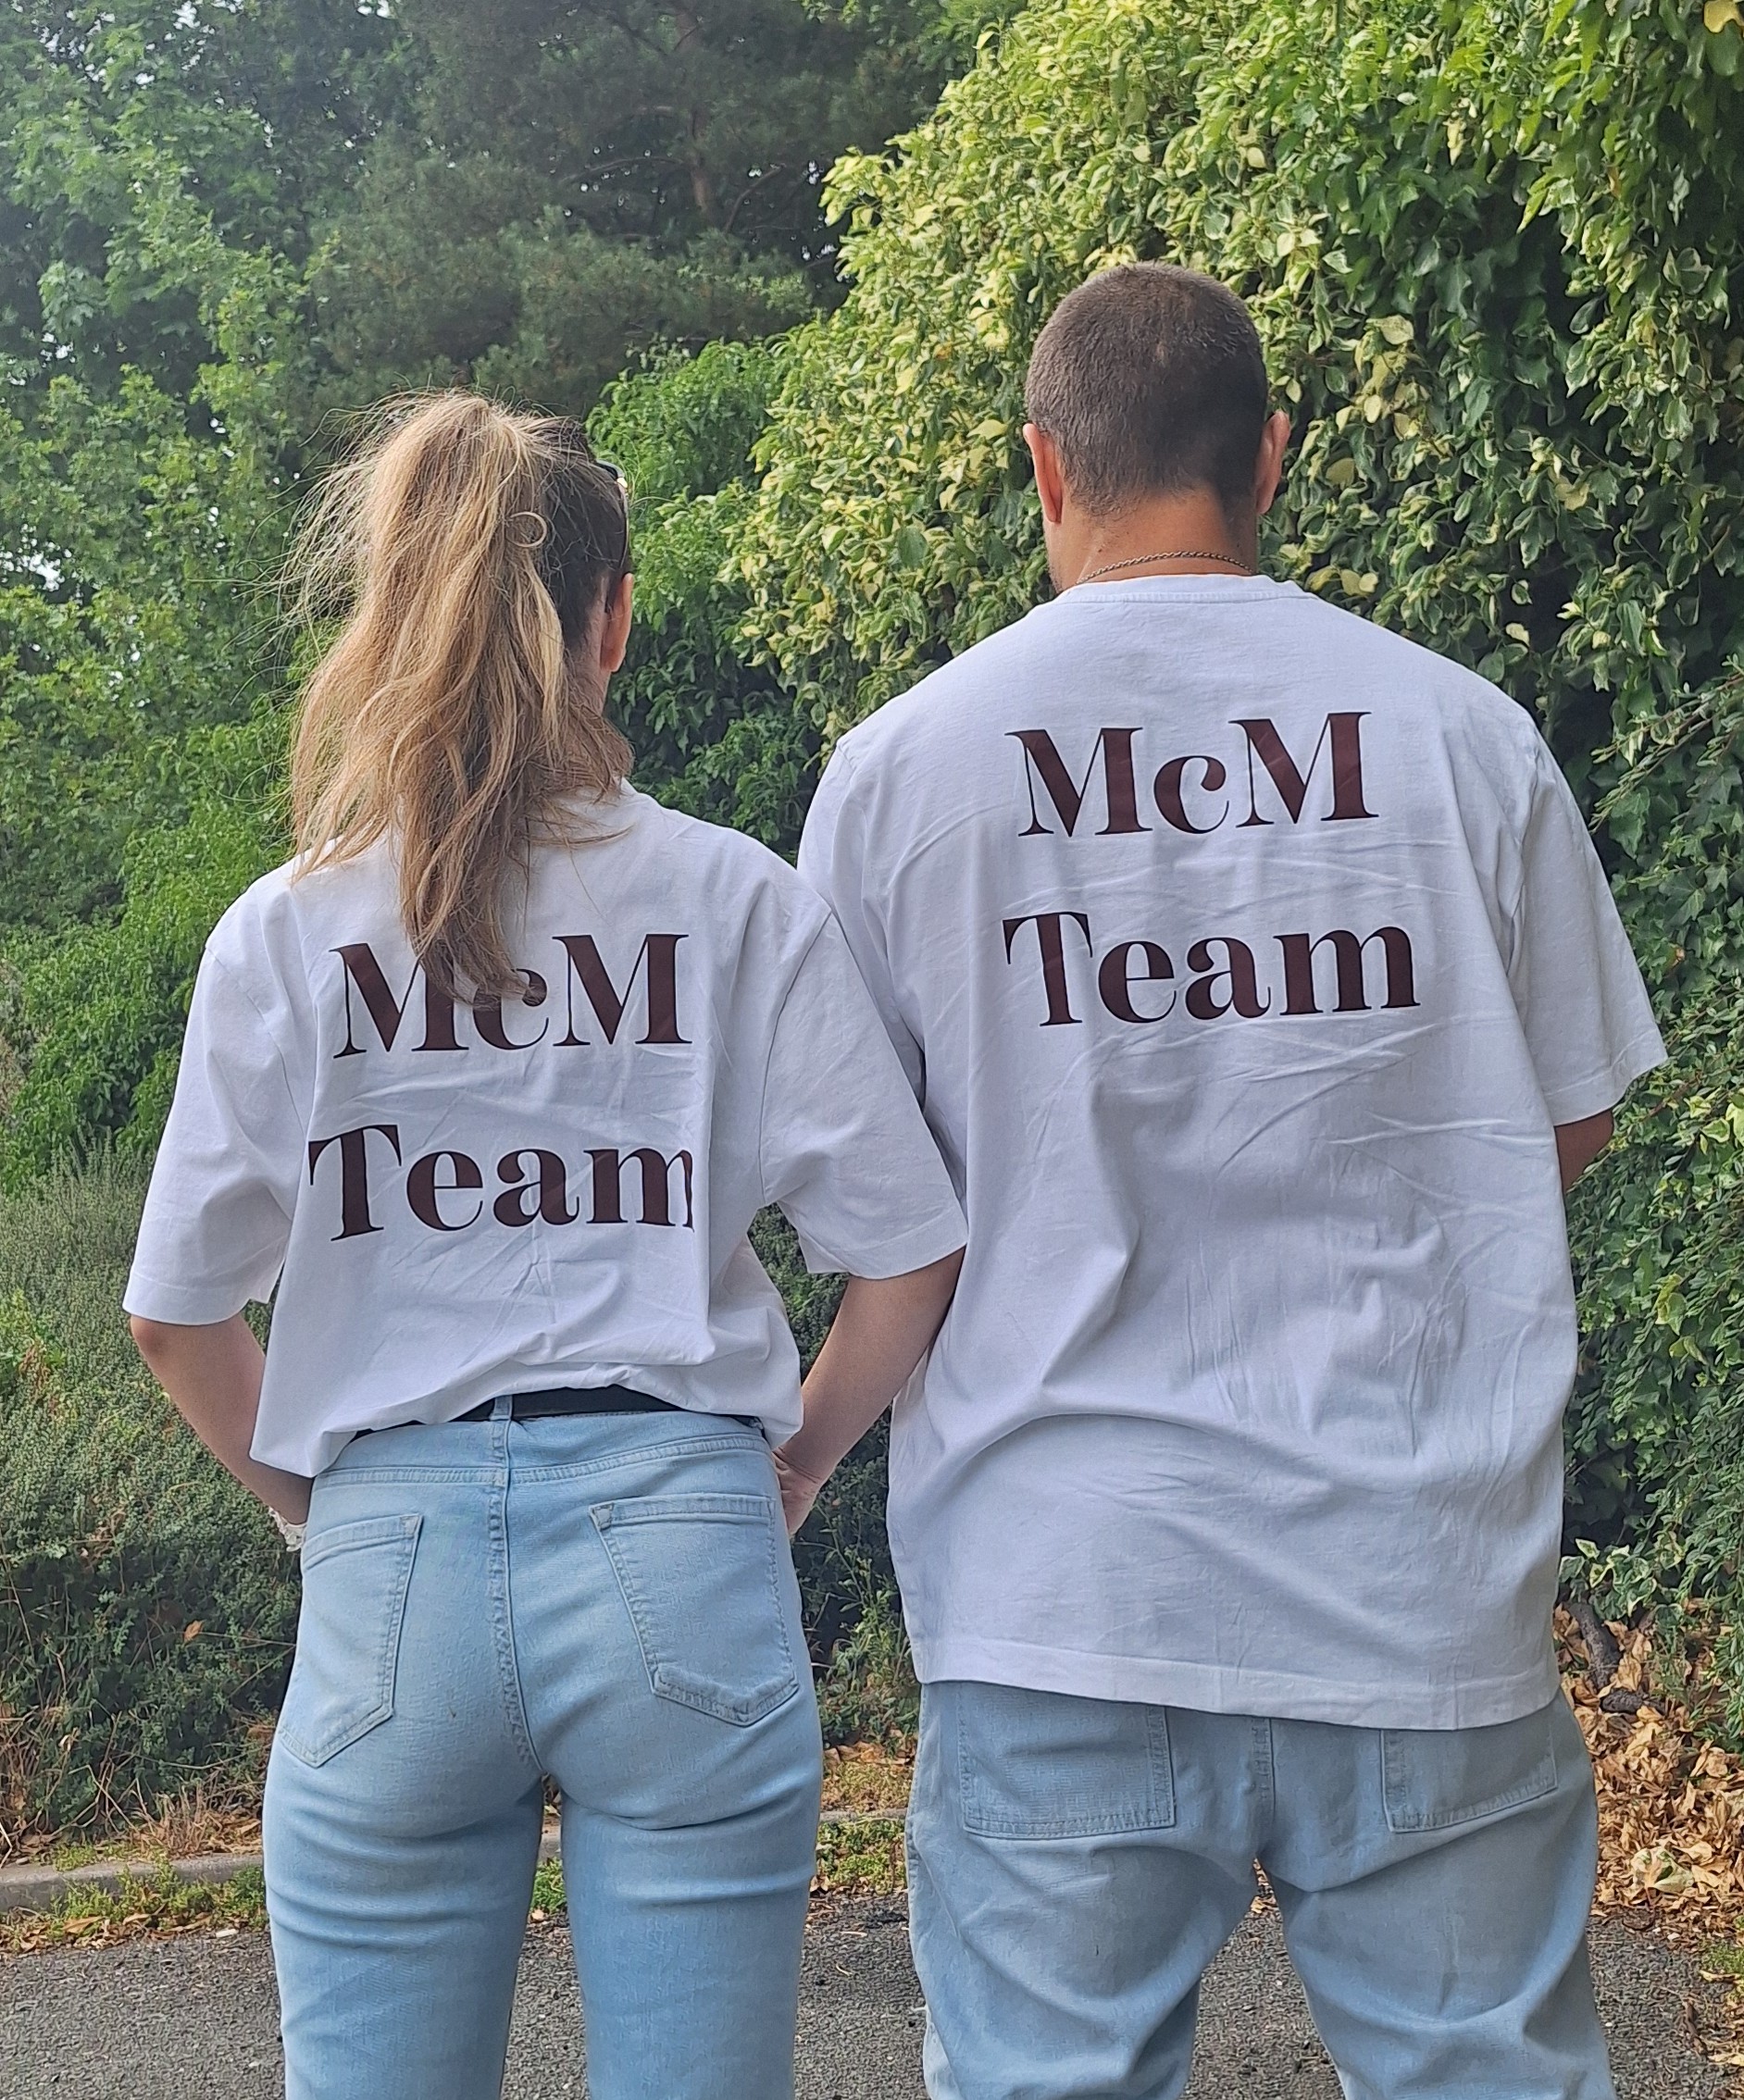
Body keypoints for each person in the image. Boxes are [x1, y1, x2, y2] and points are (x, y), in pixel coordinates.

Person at [778, 264, 1664, 2100]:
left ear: (1045, 467)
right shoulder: (1463, 736)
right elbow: (1564, 1118)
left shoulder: (898, 776)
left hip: (1062, 1590)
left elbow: (874, 1213)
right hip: (1416, 1572)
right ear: (1269, 455)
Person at [123, 392, 966, 2100]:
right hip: (686, 1529)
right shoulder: (734, 899)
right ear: (615, 618)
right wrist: (797, 1460)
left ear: (396, 612)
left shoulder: (287, 929)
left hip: (393, 1556)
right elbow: (909, 1254)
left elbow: (175, 1316)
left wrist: (328, 1510)